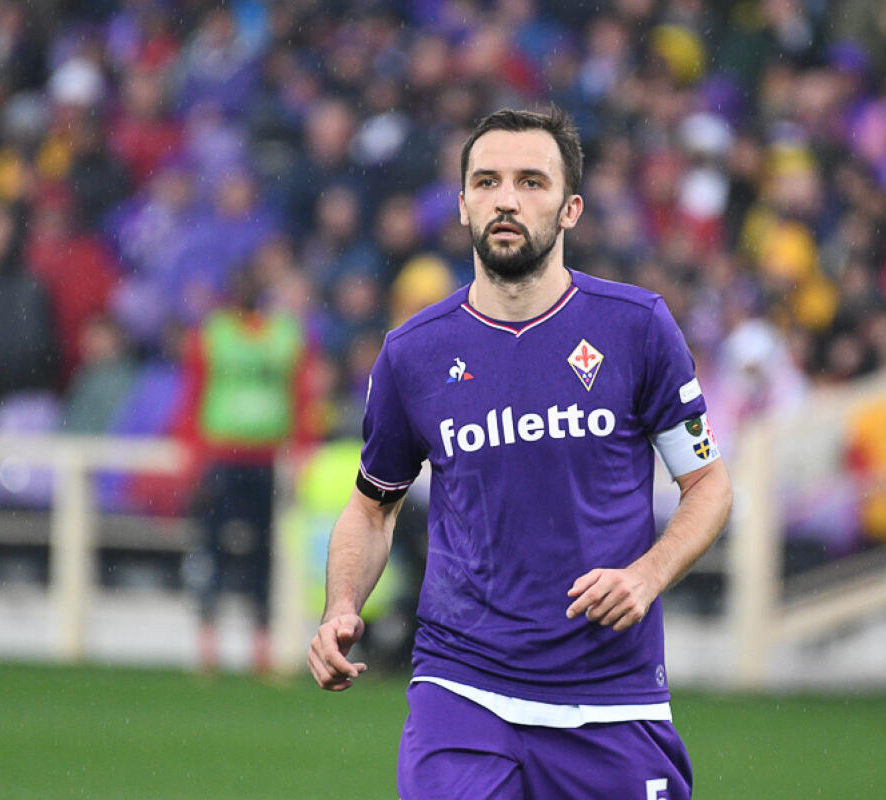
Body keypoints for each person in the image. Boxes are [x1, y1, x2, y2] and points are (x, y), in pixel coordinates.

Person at [308, 108, 733, 799]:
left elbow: (708, 484)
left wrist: (647, 576)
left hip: (611, 696)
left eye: (531, 182)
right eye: (488, 181)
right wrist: (340, 607)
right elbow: (372, 510)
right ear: (463, 204)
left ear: (570, 209)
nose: (507, 198)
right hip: (462, 689)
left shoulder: (637, 327)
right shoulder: (413, 354)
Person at [178, 262, 318, 674]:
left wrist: (302, 450)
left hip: (265, 460)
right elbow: (193, 396)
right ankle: (208, 643)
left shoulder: (285, 334)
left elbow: (300, 398)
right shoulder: (212, 334)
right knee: (212, 550)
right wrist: (194, 460)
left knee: (262, 556)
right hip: (221, 457)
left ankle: (261, 644)